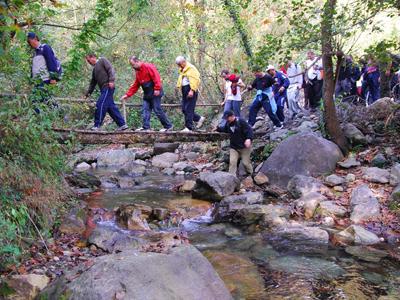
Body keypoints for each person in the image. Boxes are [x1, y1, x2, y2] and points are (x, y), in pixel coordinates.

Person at [120, 56, 173, 132]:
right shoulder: (138, 72)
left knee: (157, 109)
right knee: (145, 109)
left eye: (133, 64)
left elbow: (156, 77)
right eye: (131, 65)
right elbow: (136, 85)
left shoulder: (148, 67)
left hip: (155, 92)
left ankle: (168, 126)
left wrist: (157, 88)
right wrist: (127, 94)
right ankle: (146, 127)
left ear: (137, 61)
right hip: (147, 94)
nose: (133, 67)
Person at [84, 53, 127, 131]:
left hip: (108, 86)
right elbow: (93, 83)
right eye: (87, 61)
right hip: (103, 89)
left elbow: (110, 69)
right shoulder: (94, 70)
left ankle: (97, 125)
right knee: (111, 108)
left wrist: (111, 80)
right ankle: (122, 124)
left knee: (100, 104)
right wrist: (88, 93)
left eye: (88, 60)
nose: (88, 62)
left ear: (93, 57)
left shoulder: (102, 60)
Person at [27, 32, 62, 108]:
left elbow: (51, 62)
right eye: (28, 41)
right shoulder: (35, 53)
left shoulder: (45, 48)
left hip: (45, 80)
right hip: (37, 81)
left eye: (30, 40)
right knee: (38, 100)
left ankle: (59, 115)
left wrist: (53, 78)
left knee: (46, 100)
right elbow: (35, 67)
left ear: (35, 39)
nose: (29, 43)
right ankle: (40, 117)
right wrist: (31, 79)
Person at [217, 110, 253, 176]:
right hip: (234, 147)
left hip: (244, 147)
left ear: (232, 116)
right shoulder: (228, 123)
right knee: (232, 162)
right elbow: (224, 129)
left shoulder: (241, 121)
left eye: (227, 118)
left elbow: (249, 130)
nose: (226, 119)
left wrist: (248, 139)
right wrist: (217, 128)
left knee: (246, 163)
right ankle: (231, 177)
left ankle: (251, 175)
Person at [175, 56, 205, 132]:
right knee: (184, 109)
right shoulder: (183, 70)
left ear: (184, 62)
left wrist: (192, 90)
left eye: (179, 64)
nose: (178, 66)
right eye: (178, 64)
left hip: (191, 89)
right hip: (185, 90)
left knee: (189, 108)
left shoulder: (191, 68)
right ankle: (199, 118)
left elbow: (195, 80)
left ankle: (189, 127)